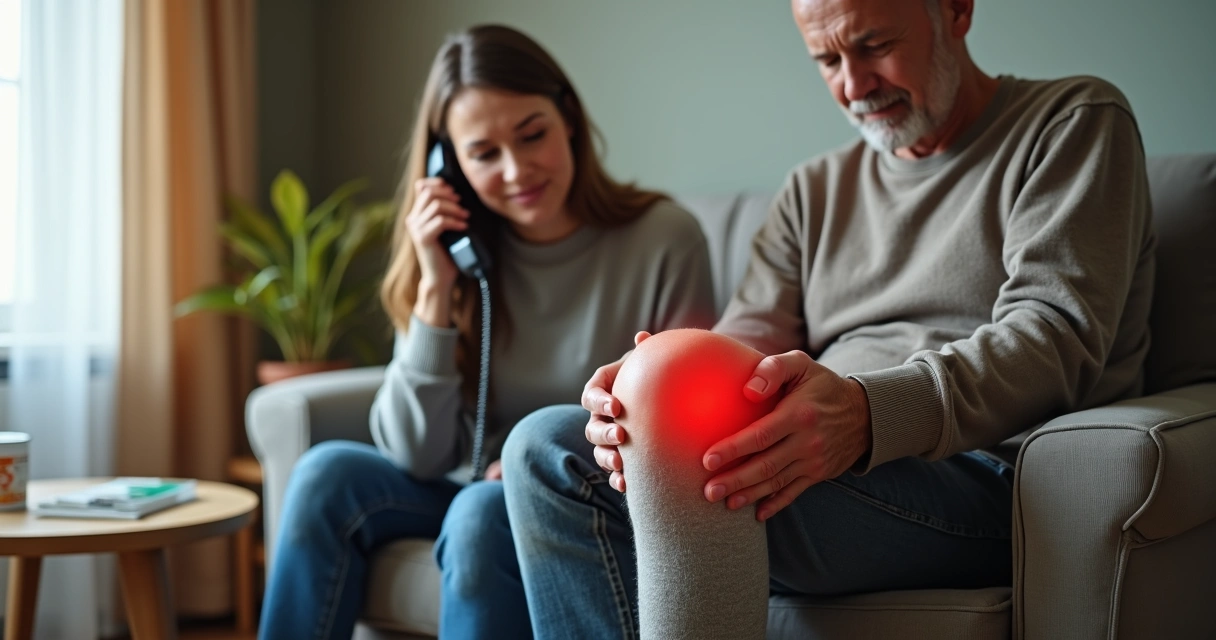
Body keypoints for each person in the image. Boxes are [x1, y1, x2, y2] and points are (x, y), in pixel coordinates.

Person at [501, 0, 1156, 637]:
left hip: (976, 475)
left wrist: (867, 415)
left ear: (956, 11)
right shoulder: (811, 190)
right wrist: (638, 396)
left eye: (874, 46)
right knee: (543, 449)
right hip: (816, 460)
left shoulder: (1071, 120)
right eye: (827, 59)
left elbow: (1053, 335)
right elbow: (741, 345)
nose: (854, 85)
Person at [258, 24, 715, 640]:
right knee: (323, 474)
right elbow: (413, 453)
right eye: (483, 154)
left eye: (533, 136)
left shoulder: (664, 238)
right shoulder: (460, 264)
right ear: (449, 167)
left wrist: (531, 460)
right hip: (467, 483)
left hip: (571, 496)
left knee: (480, 509)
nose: (517, 169)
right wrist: (435, 287)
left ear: (569, 120)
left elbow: (677, 431)